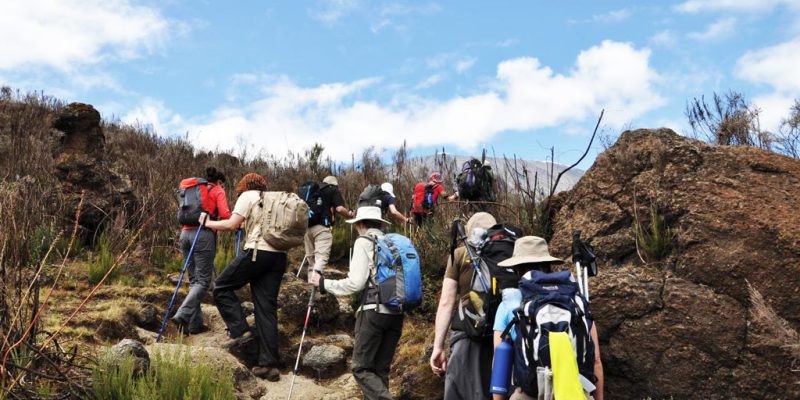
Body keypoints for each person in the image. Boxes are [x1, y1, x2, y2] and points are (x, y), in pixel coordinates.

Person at [492, 236, 604, 400]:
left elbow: (500, 359)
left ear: (517, 269)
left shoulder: (510, 304)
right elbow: (596, 361)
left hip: (530, 393)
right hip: (575, 392)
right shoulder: (576, 302)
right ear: (548, 266)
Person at [198, 172, 285, 382]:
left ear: (245, 186)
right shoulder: (273, 200)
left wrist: (208, 222)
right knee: (266, 309)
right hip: (279, 257)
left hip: (257, 252)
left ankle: (242, 333)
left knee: (220, 287)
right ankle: (268, 365)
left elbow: (231, 224)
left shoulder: (248, 196)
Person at [310, 206, 403, 400]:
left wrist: (323, 284)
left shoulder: (364, 242)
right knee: (379, 371)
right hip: (397, 313)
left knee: (361, 368)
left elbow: (356, 283)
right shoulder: (393, 242)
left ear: (360, 223)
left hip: (373, 311)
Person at [430, 212, 498, 400]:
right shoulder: (506, 254)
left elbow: (446, 302)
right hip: (502, 336)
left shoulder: (460, 253)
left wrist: (438, 346)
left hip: (468, 335)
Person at [171, 167, 231, 335]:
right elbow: (226, 215)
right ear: (219, 181)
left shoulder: (194, 190)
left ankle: (194, 325)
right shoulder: (218, 190)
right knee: (203, 282)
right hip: (203, 235)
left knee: (194, 280)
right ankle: (183, 315)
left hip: (184, 234)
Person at [303, 175, 355, 282]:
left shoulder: (313, 190)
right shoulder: (332, 190)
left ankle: (310, 286)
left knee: (311, 259)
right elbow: (340, 209)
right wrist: (350, 214)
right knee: (321, 258)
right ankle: (316, 286)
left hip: (307, 228)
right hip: (322, 228)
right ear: (334, 185)